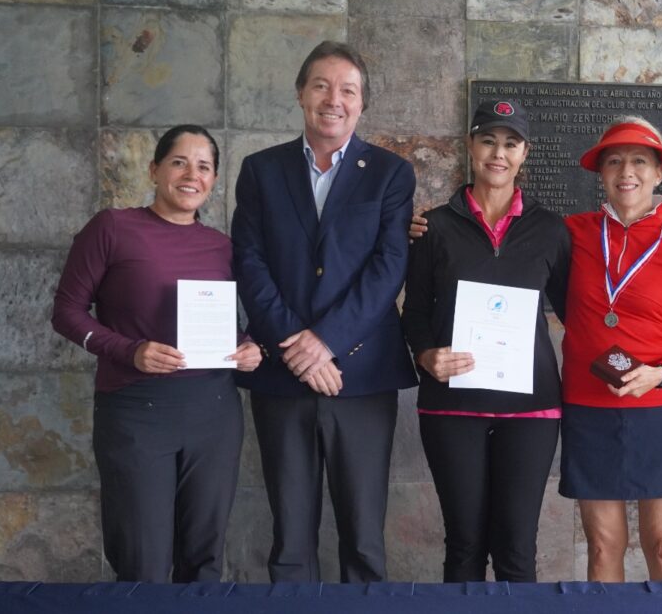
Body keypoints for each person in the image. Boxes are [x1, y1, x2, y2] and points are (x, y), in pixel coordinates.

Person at [231, 40, 417, 583]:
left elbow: (388, 269)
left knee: (363, 537)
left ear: (361, 104)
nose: (333, 99)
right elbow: (250, 260)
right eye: (321, 85)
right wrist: (296, 344)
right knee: (290, 537)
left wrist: (327, 341)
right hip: (282, 376)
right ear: (300, 94)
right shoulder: (260, 171)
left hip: (360, 377)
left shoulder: (389, 174)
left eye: (348, 90)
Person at [51, 125, 261, 583]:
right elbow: (66, 312)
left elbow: (228, 324)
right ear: (154, 170)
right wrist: (130, 350)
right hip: (136, 413)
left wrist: (246, 349)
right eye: (179, 162)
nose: (191, 175)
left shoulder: (222, 247)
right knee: (141, 560)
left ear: (214, 179)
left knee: (203, 561)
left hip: (215, 414)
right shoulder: (112, 227)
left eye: (204, 166)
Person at [401, 99, 570, 582]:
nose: (499, 153)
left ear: (525, 154)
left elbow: (578, 310)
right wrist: (425, 354)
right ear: (471, 147)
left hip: (531, 410)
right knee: (465, 546)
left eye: (511, 144)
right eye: (489, 141)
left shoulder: (550, 230)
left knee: (517, 549)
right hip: (452, 407)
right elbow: (413, 313)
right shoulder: (434, 227)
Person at [560, 117, 662, 582]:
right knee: (604, 546)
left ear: (659, 173)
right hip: (589, 405)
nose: (627, 171)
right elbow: (503, 233)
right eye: (614, 161)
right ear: (601, 173)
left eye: (639, 161)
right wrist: (428, 226)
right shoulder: (570, 233)